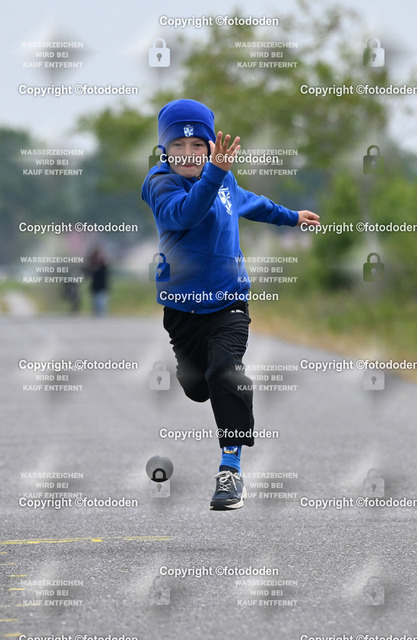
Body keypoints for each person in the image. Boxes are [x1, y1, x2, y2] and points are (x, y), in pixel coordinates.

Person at [141, 99, 319, 511]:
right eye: (178, 145)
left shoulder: (224, 178)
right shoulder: (159, 183)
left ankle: (230, 469)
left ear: (209, 146)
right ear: (164, 149)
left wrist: (291, 216)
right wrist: (216, 172)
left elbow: (251, 202)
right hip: (182, 309)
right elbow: (186, 214)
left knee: (225, 373)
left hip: (229, 301)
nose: (188, 154)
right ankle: (209, 382)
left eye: (197, 145)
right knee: (198, 388)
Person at [84, 247, 110, 317]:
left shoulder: (103, 266)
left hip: (102, 288)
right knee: (96, 306)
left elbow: (103, 273)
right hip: (95, 288)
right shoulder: (91, 266)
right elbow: (87, 274)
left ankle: (101, 319)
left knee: (101, 306)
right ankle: (97, 319)